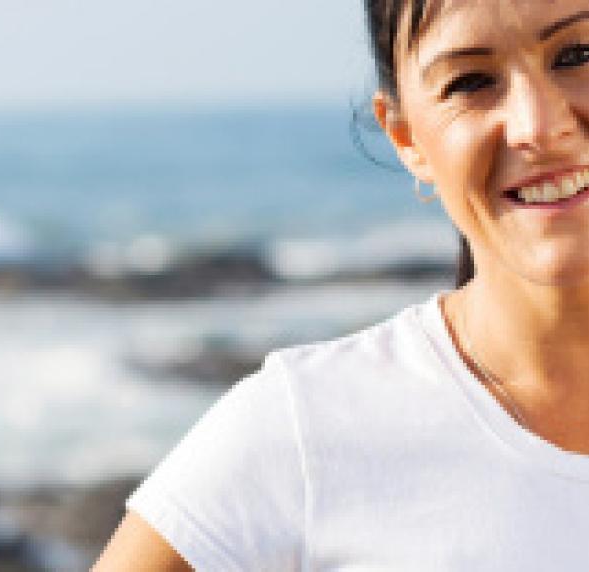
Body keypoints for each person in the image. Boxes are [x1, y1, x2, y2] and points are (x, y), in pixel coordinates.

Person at [95, 0, 589, 569]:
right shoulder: (305, 429)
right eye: (471, 81)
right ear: (407, 140)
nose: (538, 126)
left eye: (579, 55)